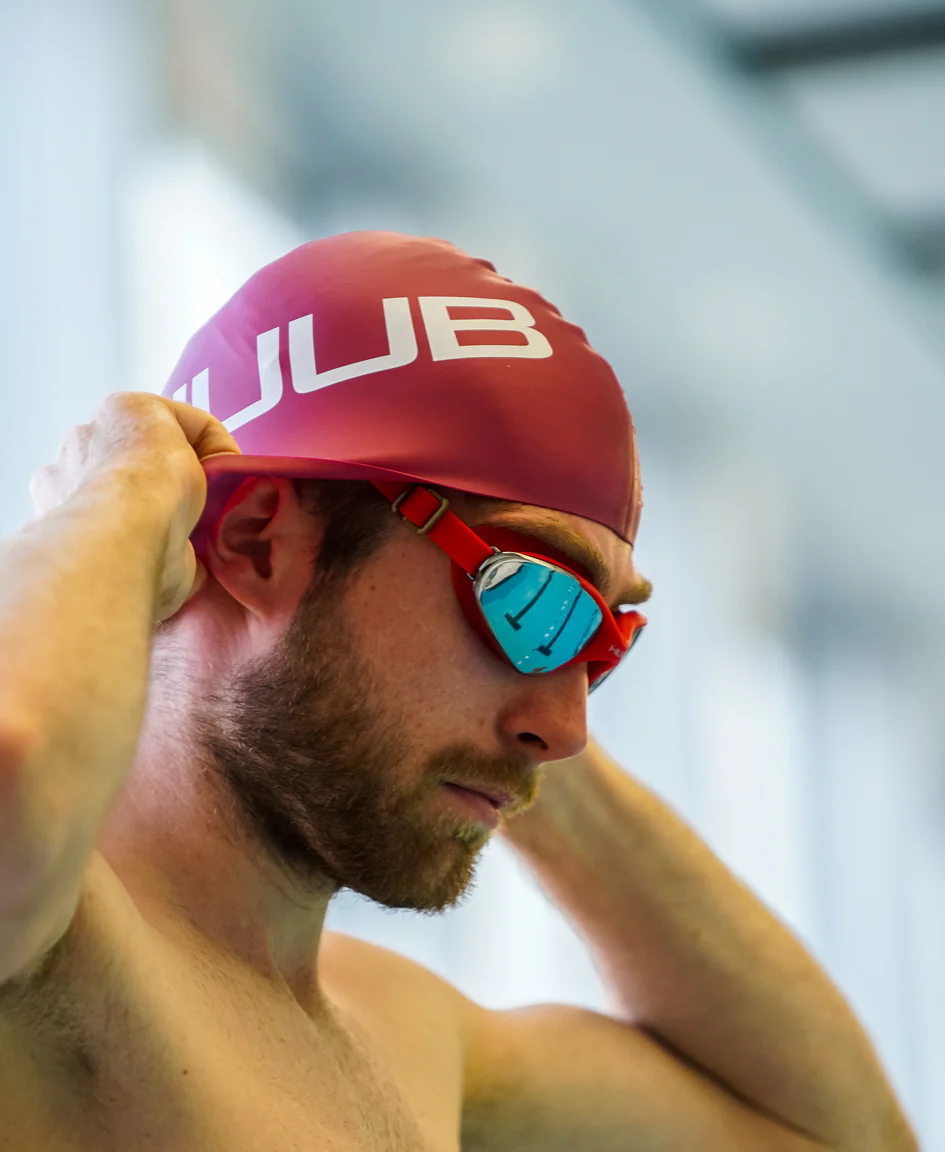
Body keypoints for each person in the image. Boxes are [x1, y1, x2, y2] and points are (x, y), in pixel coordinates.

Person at [0, 232, 914, 1151]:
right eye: (531, 592)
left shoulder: (406, 1035)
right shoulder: (50, 962)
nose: (569, 732)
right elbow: (16, 780)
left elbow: (845, 1138)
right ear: (254, 542)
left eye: (601, 643)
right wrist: (121, 502)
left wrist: (522, 684)